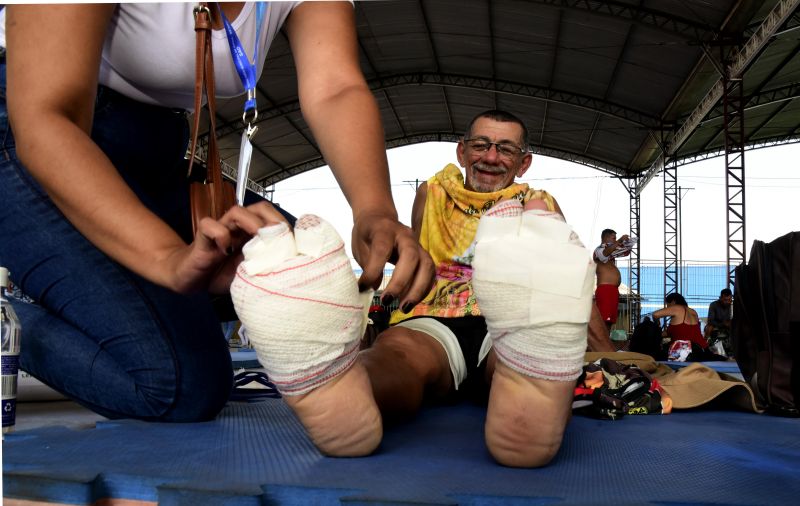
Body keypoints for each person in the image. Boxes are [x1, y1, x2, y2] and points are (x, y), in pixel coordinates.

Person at [0, 3, 433, 423]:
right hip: (37, 139)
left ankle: (146, 311)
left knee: (298, 268)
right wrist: (167, 259)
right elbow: (46, 119)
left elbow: (336, 88)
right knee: (178, 385)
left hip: (157, 150)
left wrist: (374, 209)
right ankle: (11, 318)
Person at [232, 109, 612, 467]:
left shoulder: (538, 204)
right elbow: (414, 251)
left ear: (523, 162)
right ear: (462, 152)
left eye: (505, 148)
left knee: (521, 354)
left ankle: (531, 386)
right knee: (398, 357)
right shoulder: (432, 191)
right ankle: (340, 388)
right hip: (433, 316)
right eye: (481, 145)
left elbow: (561, 287)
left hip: (508, 324)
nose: (491, 156)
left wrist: (609, 352)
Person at [652, 293, 720, 361]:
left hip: (685, 350)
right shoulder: (693, 312)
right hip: (702, 350)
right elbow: (685, 331)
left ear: (673, 302)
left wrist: (657, 324)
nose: (667, 307)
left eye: (668, 304)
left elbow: (655, 315)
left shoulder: (677, 308)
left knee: (654, 355)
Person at [593, 228, 631, 330]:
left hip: (612, 290)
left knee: (609, 322)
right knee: (603, 320)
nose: (615, 240)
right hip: (606, 289)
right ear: (606, 238)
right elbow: (603, 254)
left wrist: (628, 244)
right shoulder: (599, 250)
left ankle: (604, 343)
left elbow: (625, 253)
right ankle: (598, 344)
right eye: (613, 238)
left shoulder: (610, 252)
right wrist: (619, 241)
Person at [705, 288, 733, 354]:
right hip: (716, 325)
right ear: (720, 298)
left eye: (729, 299)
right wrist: (723, 324)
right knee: (709, 327)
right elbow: (711, 320)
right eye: (725, 300)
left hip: (728, 327)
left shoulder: (732, 305)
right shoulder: (713, 305)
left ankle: (734, 347)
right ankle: (705, 344)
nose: (728, 302)